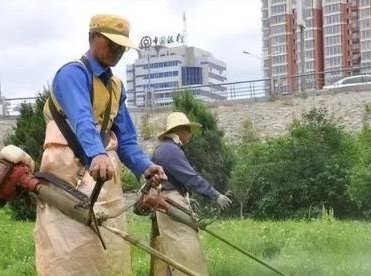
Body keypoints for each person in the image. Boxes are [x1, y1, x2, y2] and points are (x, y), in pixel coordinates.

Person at [35, 14, 167, 276]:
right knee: (68, 248)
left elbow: (126, 139)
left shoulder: (116, 86)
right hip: (65, 172)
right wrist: (96, 153)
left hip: (103, 176)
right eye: (110, 43)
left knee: (109, 248)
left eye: (121, 46)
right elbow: (82, 118)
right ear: (92, 38)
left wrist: (145, 167)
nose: (116, 51)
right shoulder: (72, 73)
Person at [149, 112, 232, 276]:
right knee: (184, 251)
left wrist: (186, 197)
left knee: (173, 252)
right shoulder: (170, 151)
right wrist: (216, 195)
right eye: (188, 130)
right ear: (181, 130)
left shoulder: (167, 148)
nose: (190, 134)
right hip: (170, 203)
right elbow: (191, 178)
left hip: (169, 201)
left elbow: (178, 179)